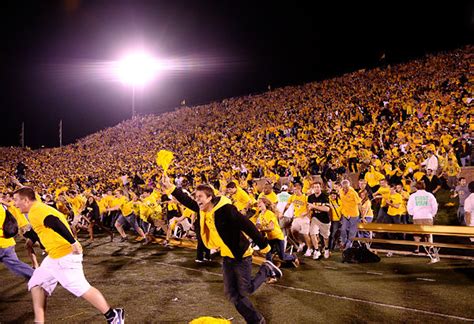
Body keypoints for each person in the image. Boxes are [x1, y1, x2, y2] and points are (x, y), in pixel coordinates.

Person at [161, 175, 281, 324]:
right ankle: (256, 320)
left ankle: (267, 270)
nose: (197, 200)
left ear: (210, 197)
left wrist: (264, 246)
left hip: (241, 254)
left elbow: (247, 225)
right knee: (233, 295)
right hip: (227, 256)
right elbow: (187, 201)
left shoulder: (226, 210)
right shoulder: (203, 209)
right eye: (196, 196)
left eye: (200, 197)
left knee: (245, 290)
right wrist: (170, 187)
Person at [13, 187, 124, 324]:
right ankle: (39, 322)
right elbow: (47, 229)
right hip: (54, 256)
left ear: (25, 200)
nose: (14, 203)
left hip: (64, 256)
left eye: (16, 200)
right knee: (36, 283)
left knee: (81, 288)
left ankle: (113, 315)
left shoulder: (36, 211)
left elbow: (54, 222)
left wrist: (72, 242)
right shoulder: (38, 208)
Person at [0, 201, 34, 280]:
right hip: (7, 243)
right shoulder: (2, 208)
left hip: (2, 244)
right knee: (17, 265)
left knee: (17, 265)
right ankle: (38, 277)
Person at [406, 182, 439, 262]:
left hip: (417, 216)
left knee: (417, 233)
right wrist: (433, 214)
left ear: (416, 187)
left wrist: (412, 213)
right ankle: (429, 249)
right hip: (427, 216)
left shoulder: (413, 196)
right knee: (428, 233)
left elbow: (409, 206)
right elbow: (435, 205)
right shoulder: (430, 195)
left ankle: (416, 249)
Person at [307, 182, 331, 259]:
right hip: (315, 217)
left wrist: (314, 206)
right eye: (315, 187)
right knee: (312, 233)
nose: (316, 188)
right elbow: (309, 209)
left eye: (318, 187)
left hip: (325, 219)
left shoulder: (325, 196)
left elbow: (327, 209)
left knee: (325, 237)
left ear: (320, 188)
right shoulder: (310, 197)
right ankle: (317, 250)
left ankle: (326, 248)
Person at [339, 179, 361, 250]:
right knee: (343, 229)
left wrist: (362, 216)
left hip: (354, 214)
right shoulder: (340, 191)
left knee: (352, 231)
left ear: (349, 186)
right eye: (344, 187)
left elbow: (359, 203)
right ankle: (343, 241)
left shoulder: (353, 193)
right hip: (345, 213)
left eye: (347, 187)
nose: (345, 189)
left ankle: (348, 245)